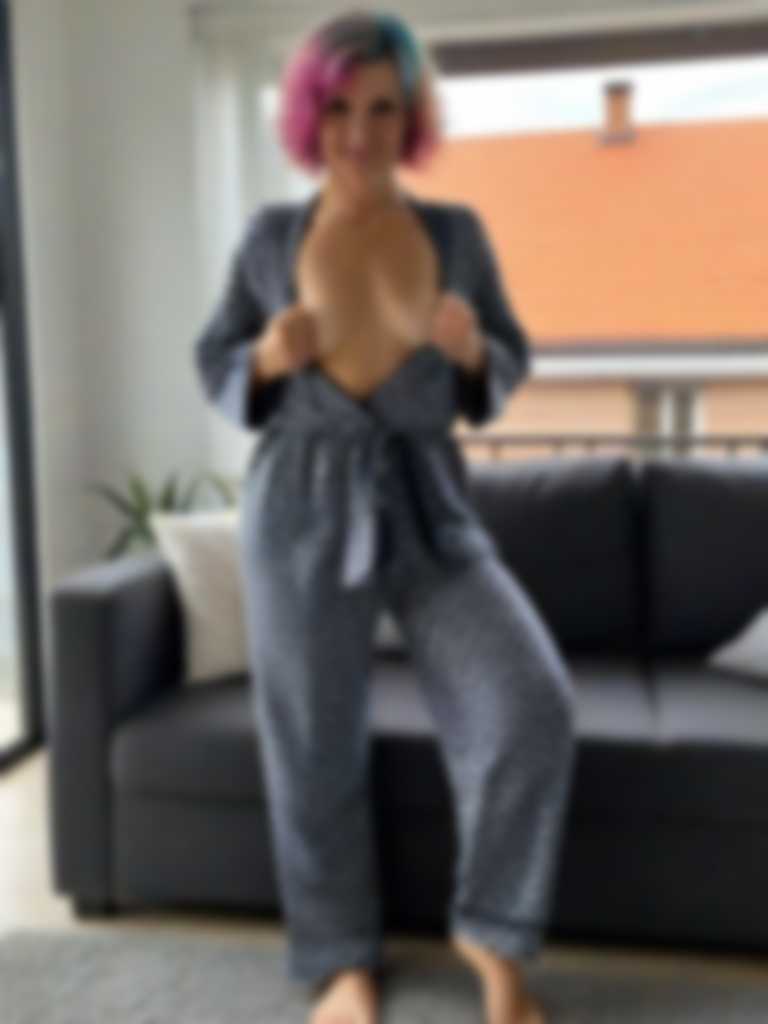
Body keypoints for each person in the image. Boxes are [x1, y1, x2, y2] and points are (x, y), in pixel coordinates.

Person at [194, 10, 577, 1024]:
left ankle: (493, 939)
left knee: (529, 701)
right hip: (299, 503)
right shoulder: (268, 240)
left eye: (382, 109)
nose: (359, 135)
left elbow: (510, 355)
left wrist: (472, 353)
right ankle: (341, 962)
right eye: (337, 111)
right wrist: (263, 360)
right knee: (311, 741)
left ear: (412, 119)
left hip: (427, 499)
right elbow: (214, 358)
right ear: (306, 117)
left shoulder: (457, 237)